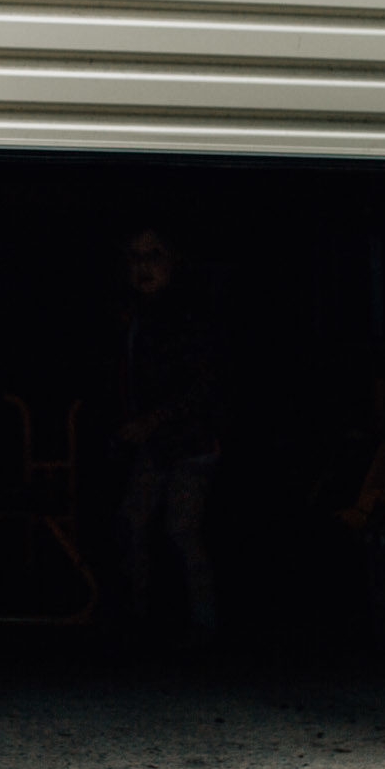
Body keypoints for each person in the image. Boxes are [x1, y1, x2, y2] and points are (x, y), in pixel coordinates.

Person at [114, 225, 221, 639]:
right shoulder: (134, 315)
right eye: (135, 258)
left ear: (174, 261)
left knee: (180, 528)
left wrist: (152, 421)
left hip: (189, 442)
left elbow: (201, 385)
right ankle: (141, 621)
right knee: (133, 521)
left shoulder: (187, 316)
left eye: (154, 255)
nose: (144, 267)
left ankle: (203, 625)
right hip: (154, 443)